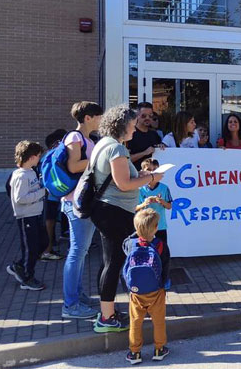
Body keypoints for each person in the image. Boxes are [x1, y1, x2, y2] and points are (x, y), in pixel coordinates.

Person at [90, 105, 165, 333]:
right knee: (113, 263)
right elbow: (123, 184)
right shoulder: (117, 149)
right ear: (123, 125)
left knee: (107, 262)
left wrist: (139, 175)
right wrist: (151, 177)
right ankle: (106, 318)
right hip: (114, 212)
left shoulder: (103, 144)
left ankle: (107, 310)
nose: (135, 129)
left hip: (106, 210)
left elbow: (118, 178)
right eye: (132, 125)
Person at [60, 102, 103, 319]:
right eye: (98, 116)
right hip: (76, 203)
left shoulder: (86, 139)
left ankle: (76, 295)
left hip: (82, 201)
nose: (100, 120)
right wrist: (97, 159)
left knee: (81, 251)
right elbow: (73, 166)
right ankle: (70, 305)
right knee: (77, 252)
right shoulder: (75, 138)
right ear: (88, 118)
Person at [124, 209, 170, 364]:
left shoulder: (131, 243)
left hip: (136, 292)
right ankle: (159, 349)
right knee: (158, 321)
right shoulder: (160, 245)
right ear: (156, 228)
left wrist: (134, 234)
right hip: (156, 290)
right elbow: (165, 266)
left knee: (136, 321)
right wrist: (163, 284)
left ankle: (135, 352)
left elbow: (124, 246)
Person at [7, 141, 48, 291]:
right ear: (31, 157)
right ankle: (27, 277)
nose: (39, 159)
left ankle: (19, 265)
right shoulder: (20, 176)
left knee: (43, 243)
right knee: (30, 248)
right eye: (38, 156)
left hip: (36, 214)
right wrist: (42, 192)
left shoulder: (31, 172)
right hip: (26, 217)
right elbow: (20, 198)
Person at [41, 129, 68, 261]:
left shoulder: (47, 155)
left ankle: (49, 246)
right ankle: (47, 249)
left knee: (50, 220)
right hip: (51, 194)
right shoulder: (54, 156)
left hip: (50, 194)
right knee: (49, 221)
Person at [135, 159, 172, 244]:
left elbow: (169, 206)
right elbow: (135, 208)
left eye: (155, 170)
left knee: (162, 250)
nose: (152, 173)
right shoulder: (139, 188)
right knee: (144, 250)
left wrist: (162, 201)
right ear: (142, 171)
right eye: (148, 170)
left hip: (160, 225)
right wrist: (144, 203)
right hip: (144, 226)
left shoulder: (164, 188)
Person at [127, 102, 162, 170]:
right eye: (144, 116)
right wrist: (144, 153)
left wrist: (161, 147)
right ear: (137, 116)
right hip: (136, 175)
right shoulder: (130, 134)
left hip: (152, 176)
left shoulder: (154, 134)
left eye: (150, 116)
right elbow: (125, 160)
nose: (147, 118)